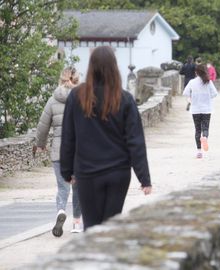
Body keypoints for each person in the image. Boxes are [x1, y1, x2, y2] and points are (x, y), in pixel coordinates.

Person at [60, 46, 152, 231]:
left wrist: (66, 170)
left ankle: (92, 259)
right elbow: (135, 142)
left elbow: (68, 137)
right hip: (117, 172)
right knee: (111, 227)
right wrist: (144, 179)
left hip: (87, 172)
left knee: (92, 227)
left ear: (91, 67)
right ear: (114, 67)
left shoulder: (77, 97)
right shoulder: (124, 99)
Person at [34, 67, 83, 237]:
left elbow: (42, 126)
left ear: (60, 79)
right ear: (77, 80)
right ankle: (77, 223)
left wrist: (40, 144)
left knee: (63, 188)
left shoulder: (52, 100)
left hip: (58, 152)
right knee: (77, 188)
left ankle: (61, 211)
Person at [183, 64, 218, 158]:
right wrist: (207, 98)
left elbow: (185, 93)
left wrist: (191, 99)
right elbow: (215, 94)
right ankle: (205, 137)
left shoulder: (192, 82)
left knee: (197, 129)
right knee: (205, 128)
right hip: (207, 109)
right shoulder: (208, 82)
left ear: (196, 72)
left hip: (195, 109)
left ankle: (199, 151)